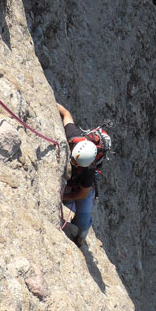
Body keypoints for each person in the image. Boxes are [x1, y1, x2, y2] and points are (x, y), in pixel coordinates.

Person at [57, 102, 98, 245]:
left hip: (80, 186)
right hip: (72, 180)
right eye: (73, 159)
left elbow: (82, 194)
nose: (73, 162)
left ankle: (81, 236)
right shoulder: (73, 137)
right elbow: (66, 113)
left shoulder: (88, 171)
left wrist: (65, 196)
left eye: (76, 162)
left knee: (83, 221)